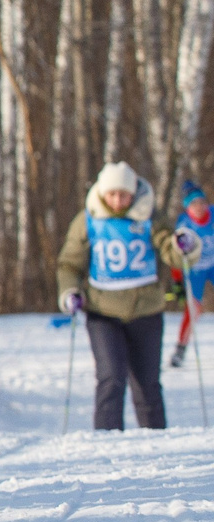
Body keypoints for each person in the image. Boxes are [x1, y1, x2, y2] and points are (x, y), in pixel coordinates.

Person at [55, 160, 184, 431]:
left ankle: (156, 443)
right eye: (111, 194)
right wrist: (70, 291)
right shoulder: (88, 219)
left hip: (145, 311)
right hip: (102, 313)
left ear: (133, 193)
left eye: (123, 194)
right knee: (111, 377)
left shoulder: (149, 216)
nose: (117, 200)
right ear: (102, 193)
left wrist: (185, 246)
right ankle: (107, 441)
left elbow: (171, 251)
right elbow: (69, 263)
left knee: (147, 382)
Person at [173, 182, 213, 368]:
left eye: (201, 202)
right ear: (188, 207)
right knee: (193, 309)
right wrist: (177, 281)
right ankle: (181, 348)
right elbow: (175, 255)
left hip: (212, 264)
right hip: (194, 269)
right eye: (194, 204)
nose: (199, 207)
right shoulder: (183, 224)